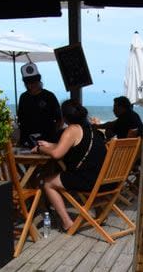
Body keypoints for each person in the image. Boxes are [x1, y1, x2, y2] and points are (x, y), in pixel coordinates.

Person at [35, 99, 107, 232]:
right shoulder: (92, 129)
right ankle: (101, 212)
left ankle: (67, 222)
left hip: (88, 181)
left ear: (64, 116)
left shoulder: (72, 129)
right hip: (105, 181)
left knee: (47, 182)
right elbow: (69, 146)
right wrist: (50, 145)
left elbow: (56, 154)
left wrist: (40, 149)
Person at [16, 63, 62, 148]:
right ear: (25, 84)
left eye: (34, 81)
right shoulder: (23, 97)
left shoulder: (49, 96)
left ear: (39, 81)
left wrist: (53, 136)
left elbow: (59, 119)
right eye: (29, 82)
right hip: (27, 140)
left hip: (47, 140)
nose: (32, 84)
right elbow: (20, 119)